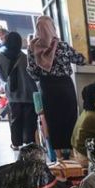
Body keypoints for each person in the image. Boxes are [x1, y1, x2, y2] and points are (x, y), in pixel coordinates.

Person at [28, 16, 86, 158]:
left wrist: (41, 78)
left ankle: (58, 155)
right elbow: (80, 60)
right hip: (65, 86)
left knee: (52, 120)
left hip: (47, 87)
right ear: (53, 28)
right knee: (70, 118)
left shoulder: (33, 47)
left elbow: (31, 70)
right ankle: (72, 153)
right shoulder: (62, 46)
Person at [0, 31, 38, 151]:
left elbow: (1, 77)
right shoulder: (25, 58)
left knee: (15, 120)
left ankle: (16, 144)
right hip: (29, 93)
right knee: (30, 120)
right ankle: (29, 143)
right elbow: (34, 76)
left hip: (13, 95)